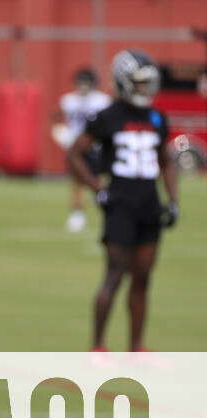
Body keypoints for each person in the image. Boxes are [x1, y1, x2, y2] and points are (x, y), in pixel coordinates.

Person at [68, 49, 178, 353]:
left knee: (143, 279)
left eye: (148, 83)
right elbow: (74, 154)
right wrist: (96, 188)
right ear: (124, 82)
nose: (146, 89)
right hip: (120, 205)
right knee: (114, 275)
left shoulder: (156, 117)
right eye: (140, 83)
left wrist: (173, 200)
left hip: (149, 204)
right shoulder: (108, 116)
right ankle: (98, 347)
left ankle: (136, 347)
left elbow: (166, 161)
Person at [55, 68, 111, 232]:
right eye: (80, 83)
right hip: (75, 148)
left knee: (98, 181)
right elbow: (58, 120)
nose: (83, 87)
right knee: (77, 182)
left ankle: (105, 211)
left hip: (96, 147)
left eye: (86, 83)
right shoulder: (68, 101)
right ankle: (77, 215)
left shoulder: (102, 101)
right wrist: (60, 133)